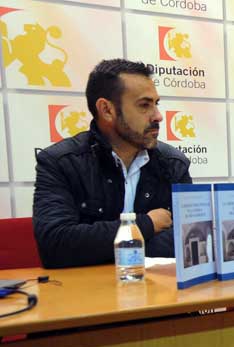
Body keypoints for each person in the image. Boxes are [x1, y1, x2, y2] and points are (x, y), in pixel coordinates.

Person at [33, 59, 192, 268]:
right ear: (106, 109)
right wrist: (147, 225)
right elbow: (56, 245)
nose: (158, 116)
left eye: (156, 104)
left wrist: (100, 245)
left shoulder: (173, 164)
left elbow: (189, 240)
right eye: (144, 105)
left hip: (160, 294)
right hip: (88, 294)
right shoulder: (60, 163)